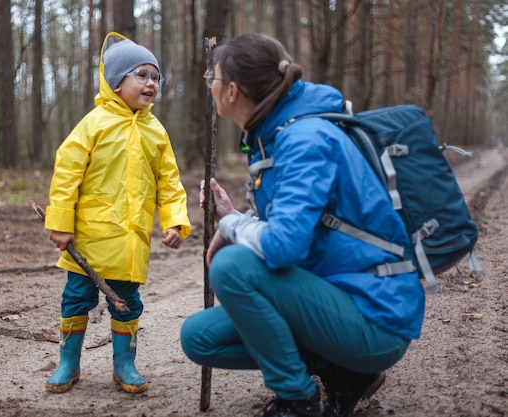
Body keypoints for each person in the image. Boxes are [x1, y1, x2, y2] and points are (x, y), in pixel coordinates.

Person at [180, 34, 425, 417]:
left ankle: (297, 400)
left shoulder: (304, 139)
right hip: (337, 295)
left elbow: (283, 247)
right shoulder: (274, 137)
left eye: (213, 75)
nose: (208, 82)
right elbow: (307, 230)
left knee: (231, 268)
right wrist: (237, 219)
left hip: (376, 318)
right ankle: (343, 373)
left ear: (232, 91)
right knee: (200, 338)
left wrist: (231, 227)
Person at [44, 32, 191, 395]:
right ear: (116, 81)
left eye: (156, 77)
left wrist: (174, 221)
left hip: (129, 243)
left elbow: (169, 182)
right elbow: (66, 173)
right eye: (141, 75)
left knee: (126, 304)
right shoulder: (93, 125)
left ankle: (124, 364)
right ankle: (69, 362)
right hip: (89, 240)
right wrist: (60, 223)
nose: (151, 83)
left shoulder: (156, 131)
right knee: (76, 299)